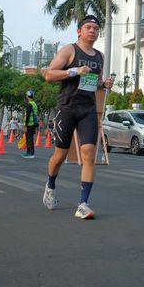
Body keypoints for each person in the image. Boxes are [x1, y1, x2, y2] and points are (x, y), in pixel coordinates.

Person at [42, 15, 114, 219]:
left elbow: (95, 81)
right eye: (88, 27)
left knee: (89, 153)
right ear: (79, 31)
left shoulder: (100, 56)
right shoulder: (69, 50)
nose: (92, 31)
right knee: (59, 156)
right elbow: (49, 74)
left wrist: (104, 84)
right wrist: (75, 70)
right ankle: (50, 185)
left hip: (88, 109)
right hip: (67, 108)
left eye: (96, 28)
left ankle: (83, 204)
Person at [22, 90, 38, 159]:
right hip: (33, 124)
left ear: (27, 96)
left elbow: (28, 116)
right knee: (30, 139)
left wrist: (25, 125)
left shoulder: (29, 105)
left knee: (29, 139)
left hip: (29, 124)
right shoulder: (34, 104)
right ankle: (30, 152)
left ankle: (30, 153)